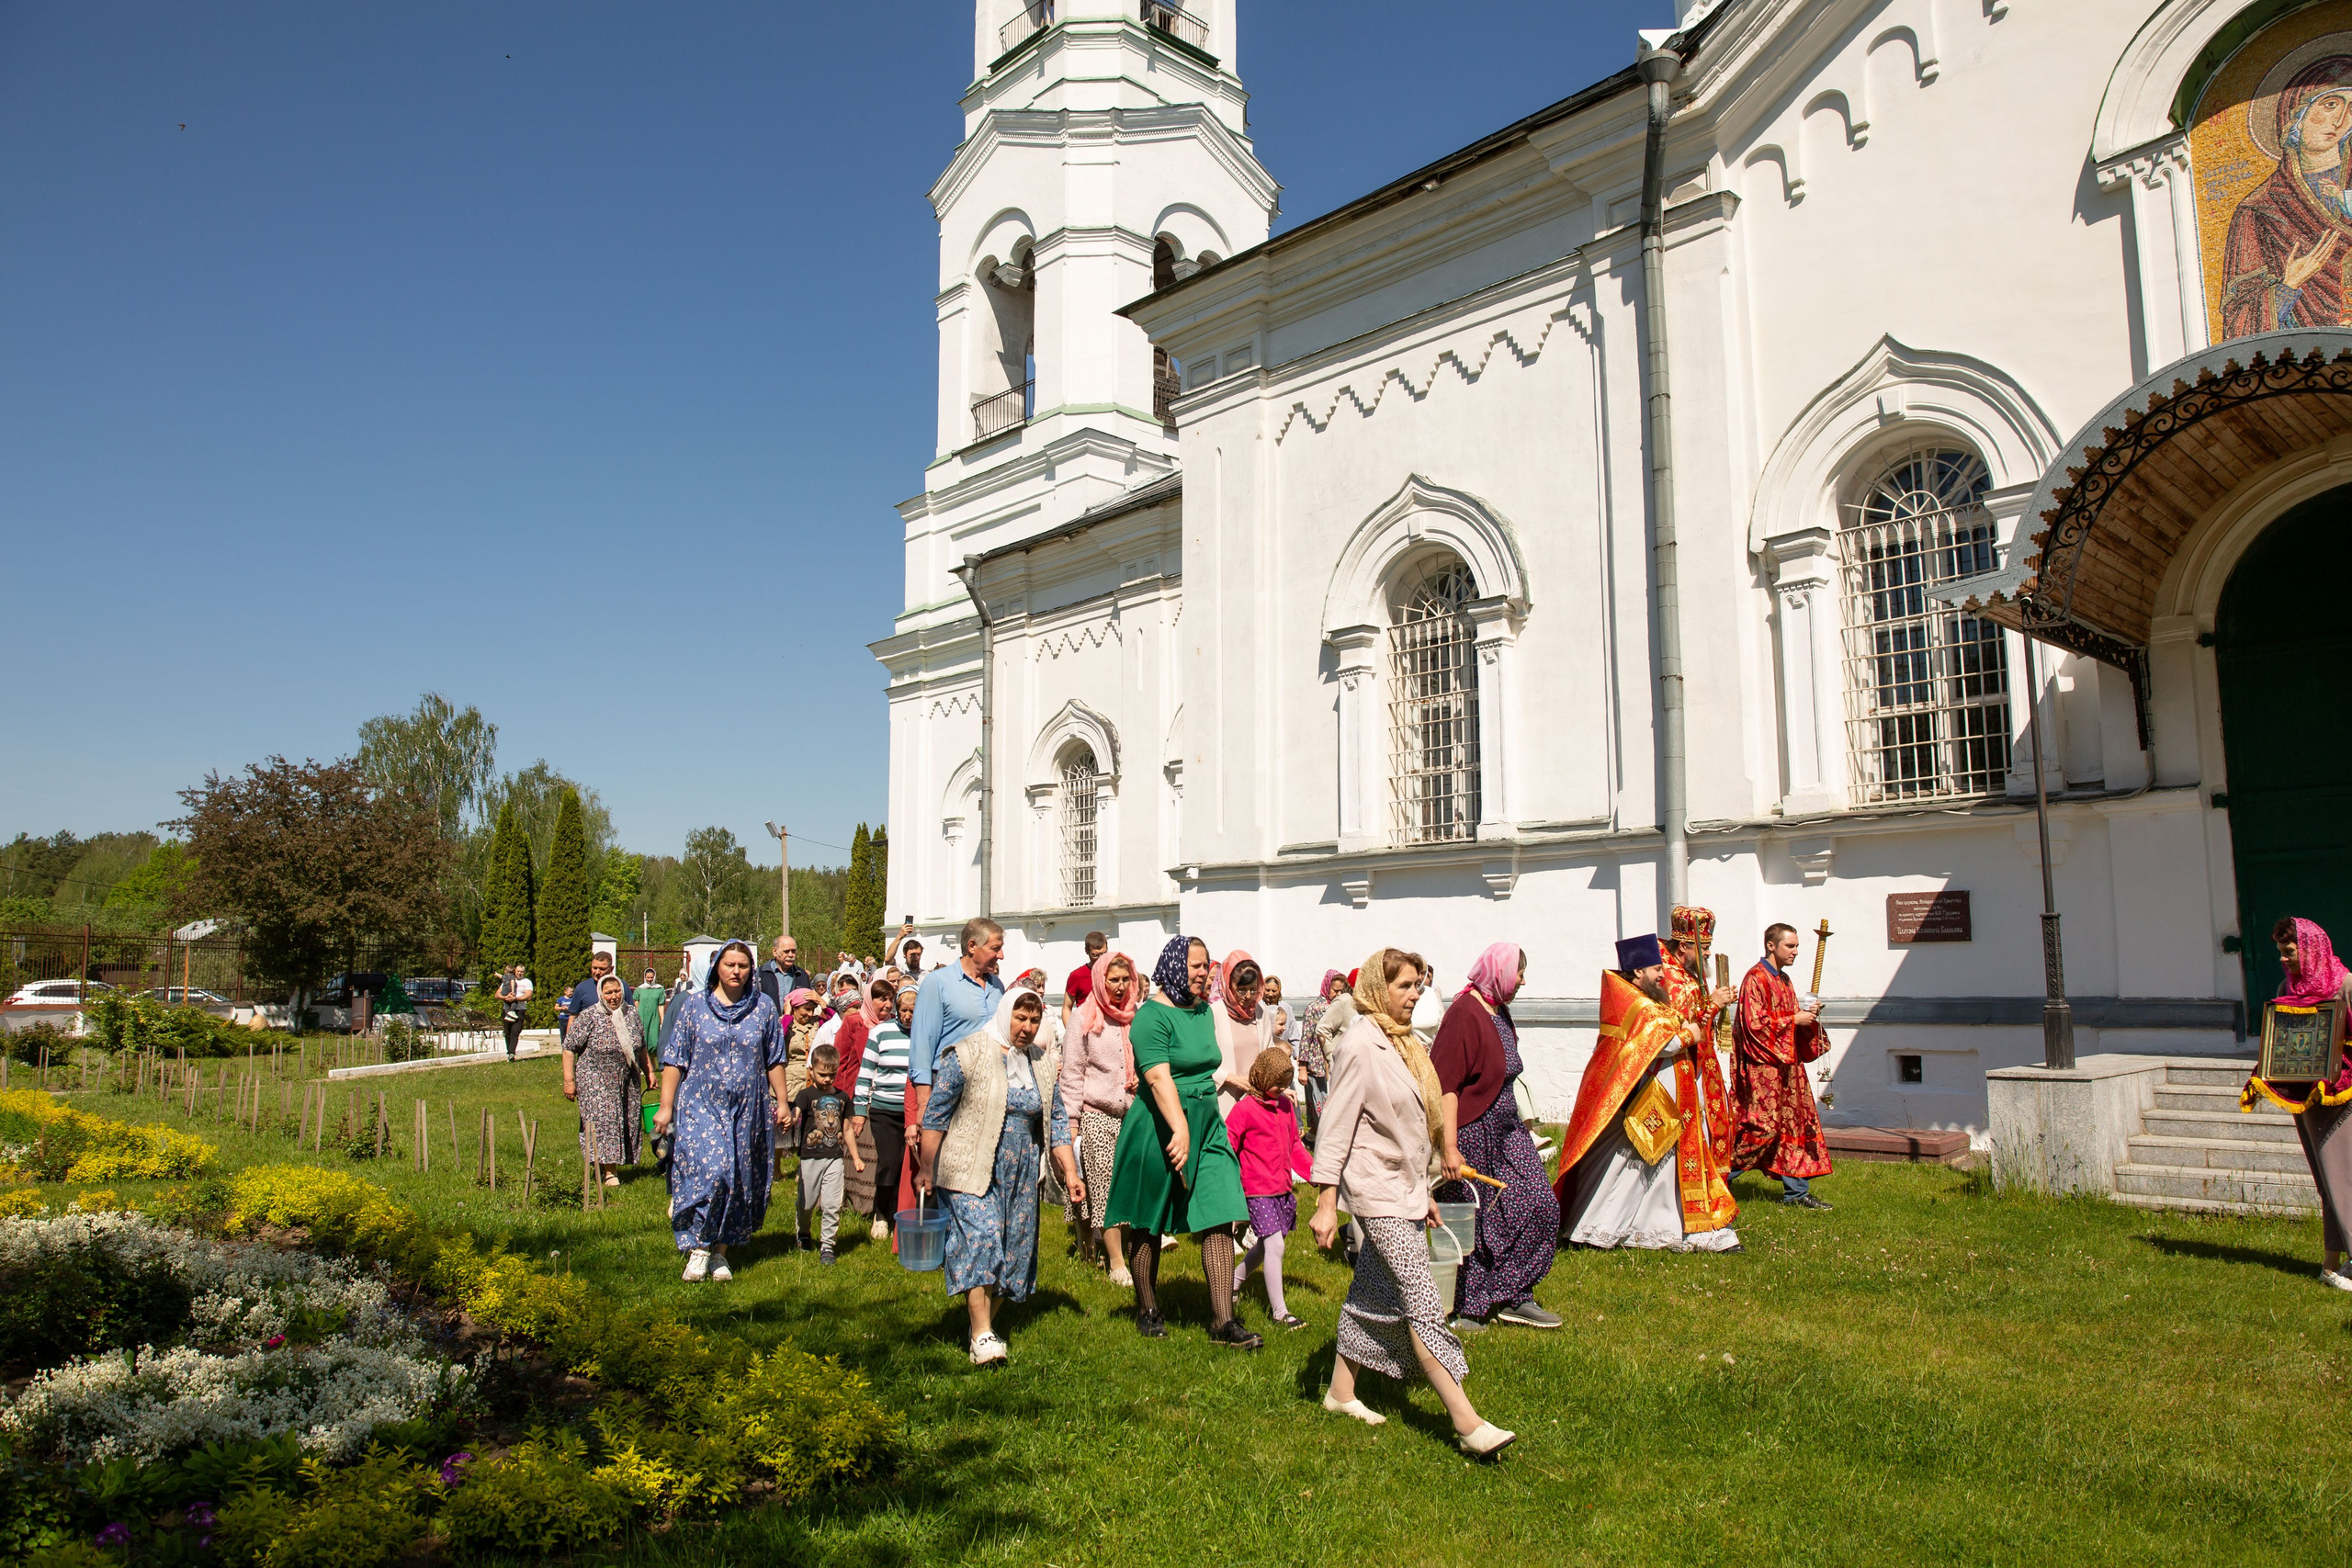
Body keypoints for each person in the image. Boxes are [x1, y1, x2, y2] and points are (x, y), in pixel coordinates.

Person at [1311, 949, 1514, 1458]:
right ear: (1381, 989)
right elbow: (1335, 1124)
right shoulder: (1359, 1044)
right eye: (1404, 986)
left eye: (1419, 986)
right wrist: (1325, 1200)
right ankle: (1467, 1423)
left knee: (1372, 1291)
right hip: (1374, 1190)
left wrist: (1422, 1192)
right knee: (1422, 1299)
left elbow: (1412, 1129)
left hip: (1402, 1189)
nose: (1415, 995)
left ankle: (1340, 1392)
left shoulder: (1405, 1044)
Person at [1102, 937, 1261, 1348]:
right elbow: (1156, 1077)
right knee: (1148, 1220)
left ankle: (1223, 1322)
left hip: (1206, 1122)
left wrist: (1196, 1125)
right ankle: (1148, 1307)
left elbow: (1211, 1065)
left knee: (1220, 1211)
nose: (1202, 972)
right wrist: (1180, 1128)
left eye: (1206, 965)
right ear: (1174, 965)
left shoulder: (1205, 1011)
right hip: (1159, 1123)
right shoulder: (1150, 1017)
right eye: (1194, 965)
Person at [915, 986, 1080, 1366]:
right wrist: (926, 1166)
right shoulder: (968, 1052)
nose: (1026, 1026)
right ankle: (981, 1336)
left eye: (1034, 1019)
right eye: (1020, 1017)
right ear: (1005, 1013)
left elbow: (1056, 1120)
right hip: (970, 1164)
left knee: (1013, 1252)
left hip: (1021, 1170)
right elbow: (937, 1113)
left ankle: (982, 1324)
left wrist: (1069, 1171)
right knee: (982, 1239)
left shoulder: (1039, 1061)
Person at [1555, 935, 1742, 1252]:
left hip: (1665, 1100)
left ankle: (1652, 1227)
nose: (1662, 975)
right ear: (1638, 972)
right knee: (1628, 1169)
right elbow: (1655, 1045)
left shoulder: (1644, 998)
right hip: (1647, 1103)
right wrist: (1688, 1035)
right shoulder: (1637, 1003)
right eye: (1656, 969)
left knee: (1655, 1172)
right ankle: (1596, 1229)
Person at [1430, 942, 1561, 1328]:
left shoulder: (1500, 1010)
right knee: (1474, 1218)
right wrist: (1449, 1147)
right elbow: (1446, 1087)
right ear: (1499, 971)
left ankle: (1514, 1294)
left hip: (1507, 1129)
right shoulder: (1464, 1014)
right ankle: (1469, 1305)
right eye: (1518, 971)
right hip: (1472, 1132)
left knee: (1540, 1203)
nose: (1522, 979)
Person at [653, 939, 787, 1283]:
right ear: (717, 968)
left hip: (748, 1108)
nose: (736, 971)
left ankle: (720, 1253)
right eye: (730, 965)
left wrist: (783, 1101)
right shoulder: (695, 1007)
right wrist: (665, 1107)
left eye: (743, 965)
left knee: (740, 1177)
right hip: (701, 1104)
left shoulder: (764, 1009)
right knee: (713, 1172)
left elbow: (774, 1059)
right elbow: (674, 1059)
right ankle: (698, 1247)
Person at [2250, 917, 2352, 1292]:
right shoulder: (2285, 988)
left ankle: (2337, 1265)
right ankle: (2331, 1267)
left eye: (2289, 952)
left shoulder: (2345, 984)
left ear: (2311, 948)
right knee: (2334, 1179)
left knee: (2346, 1178)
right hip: (2309, 1099)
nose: (2283, 959)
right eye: (2280, 952)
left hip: (2345, 1092)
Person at [2220, 58, 2352, 338]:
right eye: (2329, 105)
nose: (2340, 122)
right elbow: (2238, 324)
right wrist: (2288, 285)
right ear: (2296, 116)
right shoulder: (2259, 210)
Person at [1732, 923, 1834, 1210]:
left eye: (1798, 946)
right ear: (1771, 945)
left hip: (1788, 1067)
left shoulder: (1785, 980)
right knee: (1761, 1129)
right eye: (1790, 946)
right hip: (1763, 1069)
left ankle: (1797, 1194)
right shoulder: (1755, 978)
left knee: (1794, 1126)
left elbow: (1790, 1018)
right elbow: (1754, 1027)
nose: (1796, 952)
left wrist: (1807, 1015)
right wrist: (1793, 1021)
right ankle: (1719, 1177)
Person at [1059, 948, 1141, 1284]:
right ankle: (1117, 1263)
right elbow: (1073, 1072)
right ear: (1100, 980)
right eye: (1113, 980)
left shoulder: (1137, 1015)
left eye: (1126, 980)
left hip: (1133, 1115)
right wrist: (1072, 1122)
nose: (1120, 987)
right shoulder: (1084, 1016)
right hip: (1096, 1113)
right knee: (1105, 1186)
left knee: (1131, 1187)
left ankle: (1120, 1249)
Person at [1227, 1046, 1312, 1329]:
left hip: (1282, 1189)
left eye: (1285, 1084)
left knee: (1267, 1244)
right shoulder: (1244, 1110)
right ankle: (1280, 1313)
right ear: (1261, 1077)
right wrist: (1229, 1183)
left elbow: (1295, 1147)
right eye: (1277, 1083)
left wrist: (1316, 1174)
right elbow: (1228, 1146)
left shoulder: (1286, 1107)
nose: (1281, 1089)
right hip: (1257, 1190)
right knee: (1275, 1244)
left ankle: (1234, 1282)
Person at [1664, 906, 1740, 1184]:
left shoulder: (1686, 972)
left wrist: (1717, 1004)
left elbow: (1697, 1017)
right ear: (1684, 945)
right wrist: (1715, 1004)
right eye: (1704, 947)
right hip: (1675, 1068)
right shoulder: (1670, 977)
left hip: (1697, 1062)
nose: (1708, 953)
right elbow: (1681, 1026)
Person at [909, 917, 1008, 1130]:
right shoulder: (938, 983)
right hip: (947, 1087)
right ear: (972, 946)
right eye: (995, 948)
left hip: (988, 1089)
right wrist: (924, 1102)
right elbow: (922, 1045)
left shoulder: (998, 986)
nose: (1001, 955)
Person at [851, 980, 918, 1243]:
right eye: (902, 1009)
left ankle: (900, 1214)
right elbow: (866, 1072)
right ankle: (880, 1213)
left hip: (914, 1112)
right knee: (889, 1161)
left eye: (912, 1010)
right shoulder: (881, 1032)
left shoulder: (926, 1034)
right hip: (884, 1109)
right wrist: (859, 1108)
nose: (907, 1015)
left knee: (908, 1164)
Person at [563, 972, 645, 1186]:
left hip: (626, 1078)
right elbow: (569, 1047)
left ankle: (605, 1163)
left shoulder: (631, 1014)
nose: (613, 996)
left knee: (625, 1121)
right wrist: (569, 1081)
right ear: (601, 993)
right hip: (595, 1078)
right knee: (606, 1120)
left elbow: (641, 1046)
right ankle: (610, 1172)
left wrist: (650, 1071)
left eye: (617, 991)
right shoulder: (590, 1016)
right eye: (608, 992)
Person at [788, 1043, 861, 1263]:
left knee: (832, 1203)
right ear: (811, 1070)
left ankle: (828, 1245)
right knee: (807, 1202)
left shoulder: (842, 1097)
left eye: (832, 1074)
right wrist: (788, 1120)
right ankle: (804, 1231)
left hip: (835, 1158)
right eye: (822, 1075)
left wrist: (855, 1157)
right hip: (810, 1158)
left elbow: (846, 1128)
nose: (828, 1079)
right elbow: (795, 1114)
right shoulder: (805, 1094)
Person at [1211, 951, 1275, 1113]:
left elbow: (1270, 1053)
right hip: (1223, 1099)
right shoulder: (1214, 1013)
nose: (1248, 996)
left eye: (1253, 990)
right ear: (1228, 985)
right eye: (1241, 990)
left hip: (1256, 1101)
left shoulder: (1261, 1012)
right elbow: (1202, 1061)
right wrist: (1230, 1078)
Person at [1294, 970, 1344, 1142]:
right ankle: (1323, 1139)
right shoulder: (1315, 1008)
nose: (1338, 994)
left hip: (1336, 1061)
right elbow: (1306, 1038)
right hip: (1317, 1064)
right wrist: (1302, 1067)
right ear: (1326, 987)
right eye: (1335, 990)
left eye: (1341, 991)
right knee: (1319, 1105)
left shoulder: (1341, 1007)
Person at [1061, 930, 1108, 1032]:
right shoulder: (1077, 976)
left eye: (1104, 954)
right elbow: (1066, 1008)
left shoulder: (1114, 972)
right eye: (1095, 955)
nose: (1100, 959)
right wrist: (1072, 1033)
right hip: (1086, 1030)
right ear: (1086, 951)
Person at [781, 987, 821, 1104]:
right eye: (807, 1009)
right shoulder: (784, 1023)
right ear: (795, 1008)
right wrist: (787, 1015)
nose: (810, 1014)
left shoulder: (817, 1023)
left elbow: (835, 1023)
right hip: (790, 1085)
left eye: (813, 1010)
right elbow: (777, 1039)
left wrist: (822, 1003)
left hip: (812, 1083)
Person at [566, 951, 628, 1025]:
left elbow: (629, 1014)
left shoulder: (622, 986)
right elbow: (572, 1018)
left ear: (611, 969)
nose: (597, 972)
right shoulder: (582, 988)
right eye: (594, 968)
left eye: (602, 969)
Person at [756, 937, 813, 1014]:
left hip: (794, 1024)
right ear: (775, 952)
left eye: (793, 951)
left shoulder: (801, 975)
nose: (791, 955)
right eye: (786, 951)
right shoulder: (760, 974)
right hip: (767, 1023)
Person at [496, 964, 533, 1059]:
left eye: (522, 971)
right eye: (518, 971)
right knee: (507, 1032)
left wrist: (515, 999)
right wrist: (506, 997)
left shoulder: (527, 982)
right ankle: (509, 1052)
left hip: (519, 1010)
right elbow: (497, 994)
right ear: (514, 972)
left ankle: (512, 1053)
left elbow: (528, 995)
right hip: (507, 1010)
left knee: (515, 1031)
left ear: (524, 972)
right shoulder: (508, 980)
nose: (520, 973)